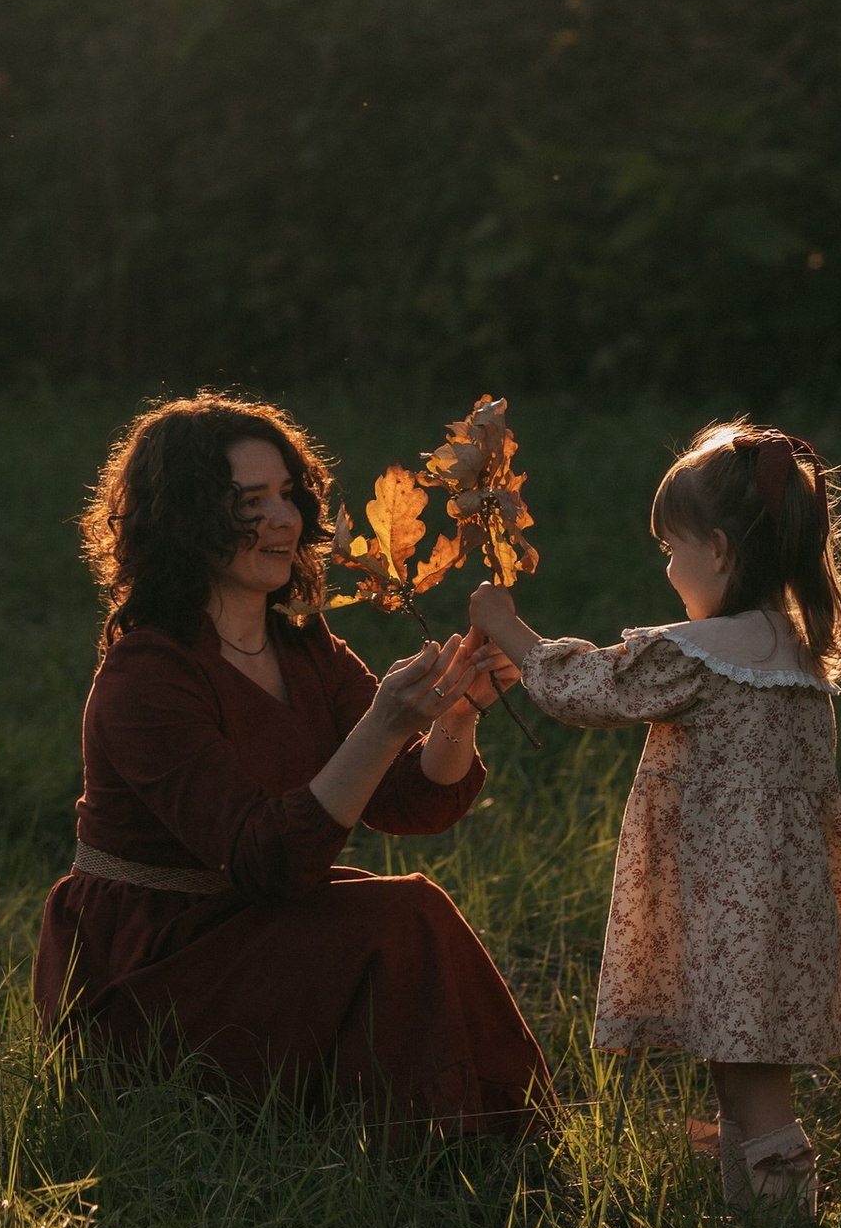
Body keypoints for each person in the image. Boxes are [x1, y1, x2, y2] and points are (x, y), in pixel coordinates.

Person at [34, 391, 552, 1140]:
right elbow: (265, 859)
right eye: (251, 502)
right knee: (399, 917)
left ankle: (474, 1137)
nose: (286, 520)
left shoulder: (305, 647)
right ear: (186, 520)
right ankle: (455, 1142)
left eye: (287, 494)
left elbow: (411, 803)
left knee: (406, 909)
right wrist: (381, 726)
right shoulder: (146, 675)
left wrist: (459, 714)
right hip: (151, 967)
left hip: (249, 922)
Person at [463, 421, 841, 1211]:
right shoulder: (794, 647)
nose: (669, 571)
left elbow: (591, 692)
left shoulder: (704, 652)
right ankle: (751, 1224)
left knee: (753, 1083)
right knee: (739, 1071)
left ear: (720, 550)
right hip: (780, 905)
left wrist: (509, 630)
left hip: (727, 906)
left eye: (672, 551)